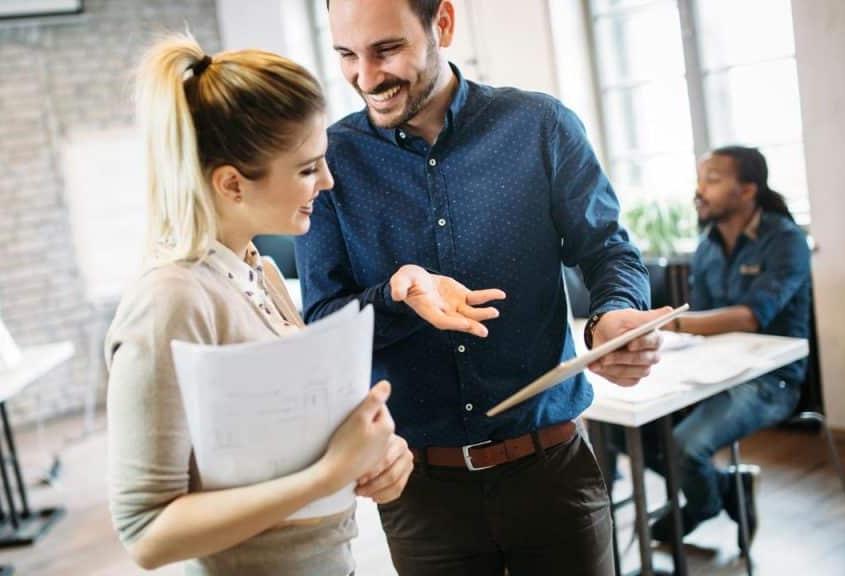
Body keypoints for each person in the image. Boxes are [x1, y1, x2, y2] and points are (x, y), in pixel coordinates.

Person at [296, 1, 671, 574]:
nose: (366, 79)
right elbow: (323, 318)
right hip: (421, 497)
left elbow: (607, 250)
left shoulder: (540, 126)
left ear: (442, 24)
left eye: (387, 50)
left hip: (552, 474)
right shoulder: (329, 162)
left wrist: (612, 315)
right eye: (347, 55)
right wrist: (395, 295)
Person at [104, 33, 413, 575]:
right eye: (306, 168)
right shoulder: (170, 302)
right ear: (232, 184)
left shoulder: (257, 270)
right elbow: (146, 533)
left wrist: (370, 460)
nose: (327, 180)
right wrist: (326, 475)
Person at [639, 145, 811, 545]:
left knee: (684, 446)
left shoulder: (786, 241)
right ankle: (726, 488)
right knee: (631, 432)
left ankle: (701, 506)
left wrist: (666, 321)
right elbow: (704, 324)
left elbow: (750, 316)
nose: (699, 190)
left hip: (770, 380)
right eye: (700, 180)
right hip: (711, 371)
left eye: (712, 180)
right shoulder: (706, 246)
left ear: (748, 189)